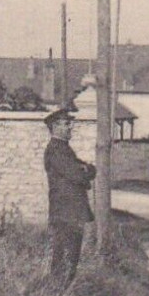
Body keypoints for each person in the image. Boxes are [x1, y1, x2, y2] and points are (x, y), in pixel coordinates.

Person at [43, 108, 96, 285]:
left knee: (71, 254)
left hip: (71, 211)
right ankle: (58, 291)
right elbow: (78, 175)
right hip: (65, 212)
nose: (70, 127)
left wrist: (86, 170)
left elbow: (90, 170)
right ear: (55, 126)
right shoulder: (55, 150)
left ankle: (63, 290)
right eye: (66, 124)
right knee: (65, 254)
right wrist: (84, 171)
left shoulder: (64, 149)